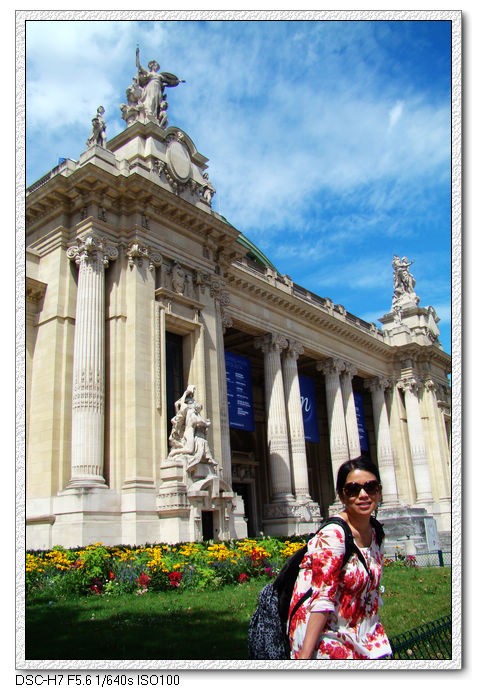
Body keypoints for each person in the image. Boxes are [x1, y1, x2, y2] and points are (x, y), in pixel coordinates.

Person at [288, 457, 392, 659]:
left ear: (379, 492)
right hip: (329, 640)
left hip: (364, 636)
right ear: (342, 497)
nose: (363, 495)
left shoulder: (376, 532)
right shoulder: (333, 535)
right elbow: (321, 600)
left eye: (370, 487)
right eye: (353, 490)